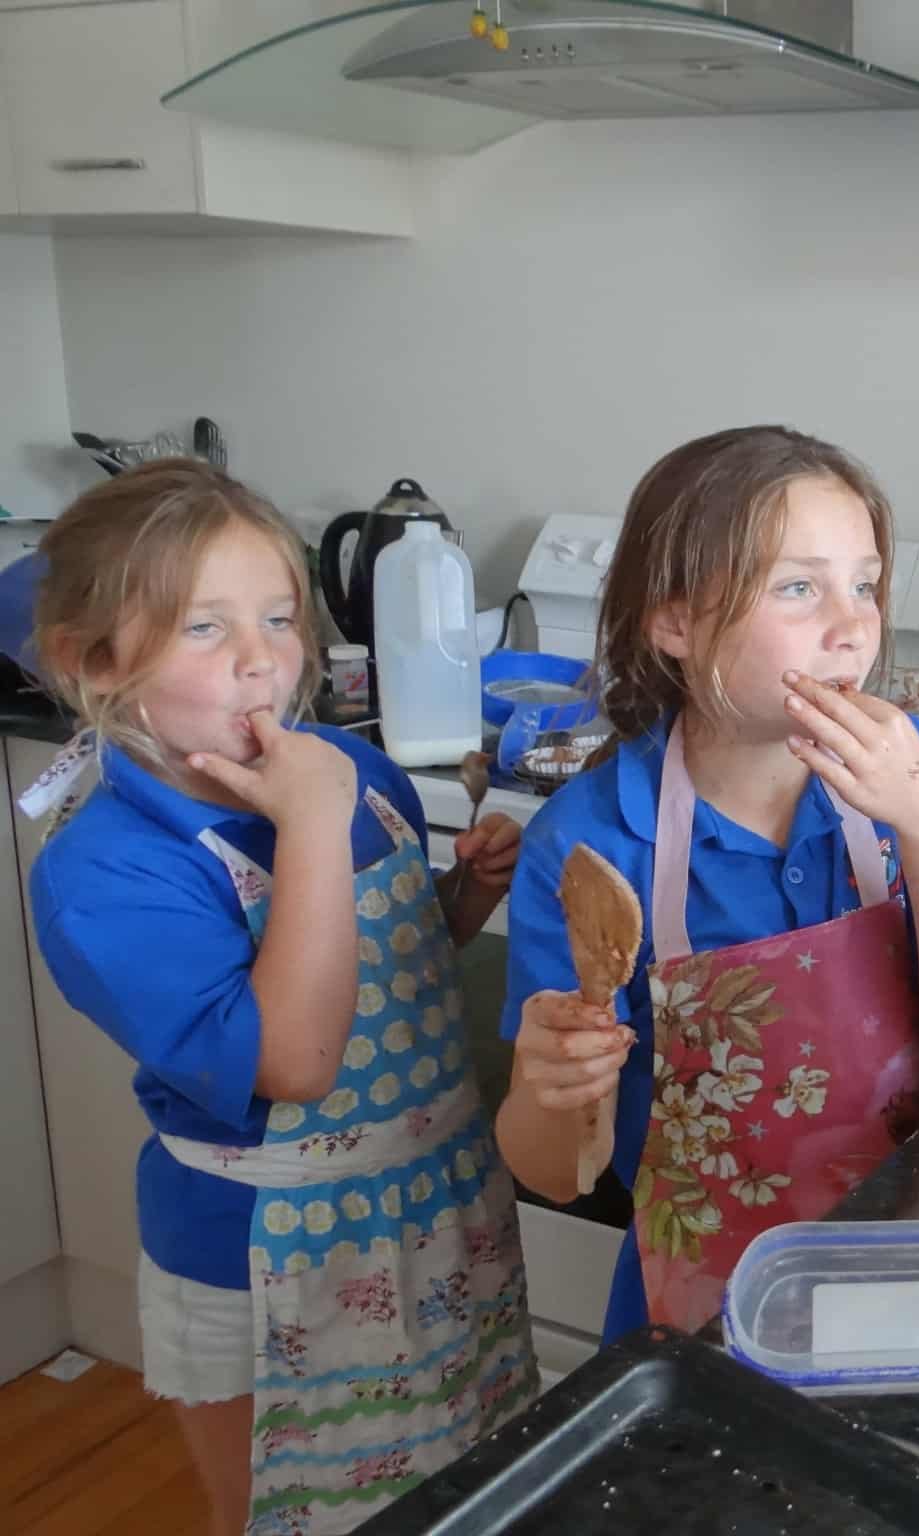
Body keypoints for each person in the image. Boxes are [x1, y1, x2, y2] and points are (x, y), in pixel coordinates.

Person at [25, 460, 538, 1536]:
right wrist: (309, 821)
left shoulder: (360, 780)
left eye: (276, 617)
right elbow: (293, 1061)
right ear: (95, 663)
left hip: (441, 1201)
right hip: (265, 1256)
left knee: (469, 1487)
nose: (262, 659)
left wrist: (461, 899)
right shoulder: (110, 874)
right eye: (203, 629)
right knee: (294, 1517)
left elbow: (390, 972)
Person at [498, 425, 919, 1338]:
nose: (854, 627)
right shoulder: (593, 841)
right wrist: (550, 1083)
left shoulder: (907, 772)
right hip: (706, 1302)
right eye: (799, 587)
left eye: (866, 584)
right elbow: (554, 1172)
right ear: (676, 621)